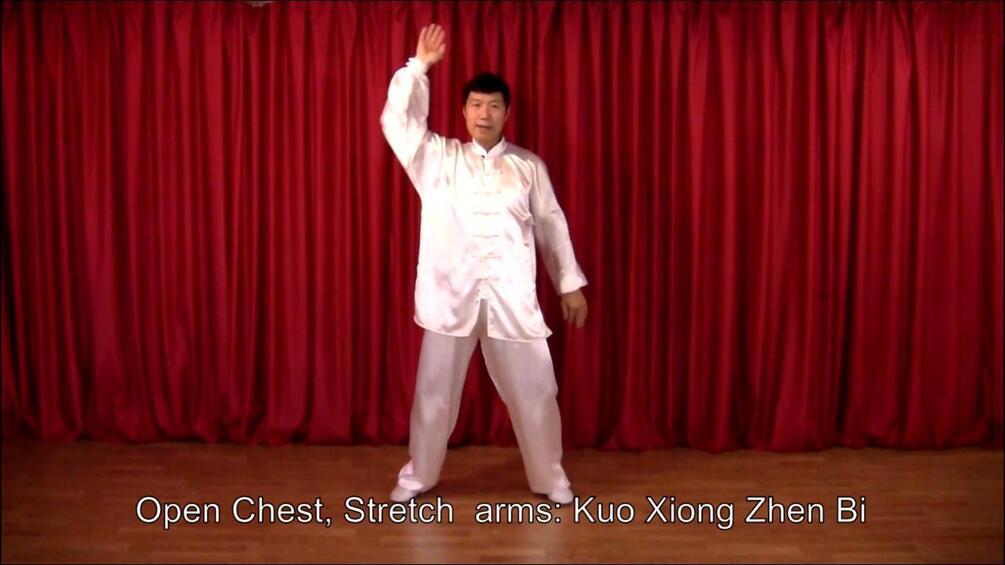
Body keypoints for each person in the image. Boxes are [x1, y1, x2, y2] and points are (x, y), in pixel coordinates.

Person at [380, 24, 588, 505]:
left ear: (507, 113)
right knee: (434, 394)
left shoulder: (528, 167)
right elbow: (396, 122)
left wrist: (568, 283)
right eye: (476, 105)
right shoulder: (437, 158)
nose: (484, 114)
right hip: (449, 298)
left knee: (537, 391)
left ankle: (550, 478)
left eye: (494, 106)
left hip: (511, 299)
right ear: (463, 111)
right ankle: (418, 476)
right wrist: (419, 67)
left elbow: (551, 224)